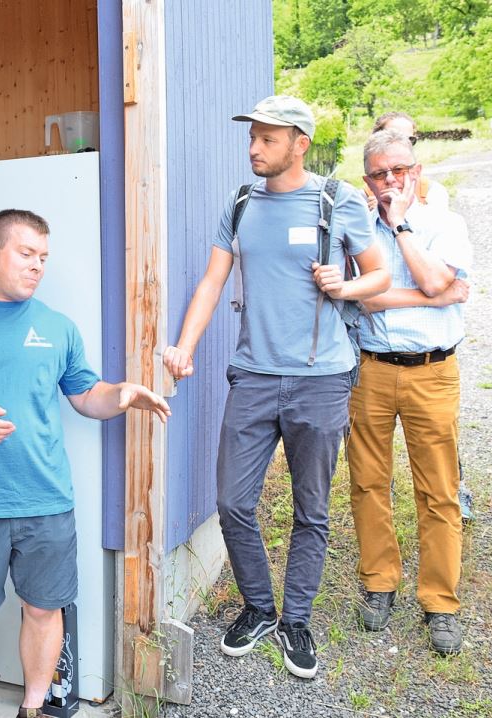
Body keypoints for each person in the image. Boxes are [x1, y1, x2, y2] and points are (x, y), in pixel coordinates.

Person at [0, 209, 171, 718]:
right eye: (26, 254)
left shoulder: (57, 328)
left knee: (43, 608)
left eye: (43, 257)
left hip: (46, 500)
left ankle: (34, 708)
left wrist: (122, 393)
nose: (37, 266)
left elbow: (87, 395)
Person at [162, 95, 389, 679]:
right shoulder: (240, 205)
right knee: (233, 502)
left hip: (322, 380)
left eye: (266, 139)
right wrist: (184, 346)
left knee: (311, 510)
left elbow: (381, 275)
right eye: (252, 137)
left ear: (299, 144)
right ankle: (259, 608)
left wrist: (346, 283)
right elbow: (213, 281)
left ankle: (296, 621)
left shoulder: (336, 201)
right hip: (255, 377)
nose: (253, 148)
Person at [349, 130, 472, 655]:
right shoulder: (356, 229)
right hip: (371, 370)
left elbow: (442, 280)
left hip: (432, 370)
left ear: (416, 171)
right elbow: (371, 300)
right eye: (380, 174)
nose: (391, 180)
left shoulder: (446, 223)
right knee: (368, 482)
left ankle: (440, 602)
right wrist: (430, 293)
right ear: (367, 180)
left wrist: (401, 229)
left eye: (399, 170)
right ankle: (379, 584)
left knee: (439, 489)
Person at [363, 112, 450, 213]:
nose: (400, 143)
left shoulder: (432, 191)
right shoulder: (363, 197)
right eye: (390, 137)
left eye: (409, 139)